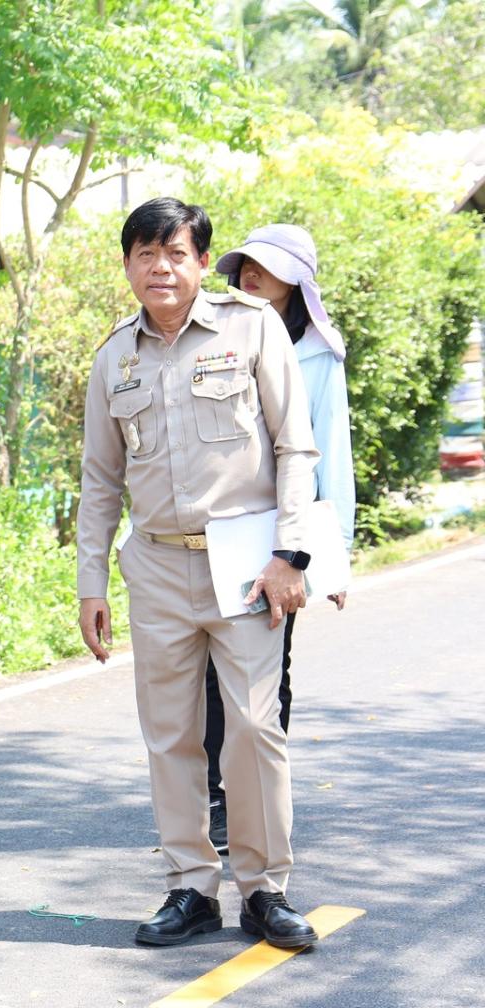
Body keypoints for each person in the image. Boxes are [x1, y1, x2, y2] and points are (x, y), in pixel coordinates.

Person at [77, 197, 322, 950]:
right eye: (145, 254)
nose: (161, 267)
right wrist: (90, 583)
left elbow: (296, 447)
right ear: (128, 265)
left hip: (245, 563)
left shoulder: (252, 328)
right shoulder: (113, 358)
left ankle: (264, 889)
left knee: (252, 727)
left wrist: (291, 554)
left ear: (200, 262)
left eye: (175, 253)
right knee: (171, 734)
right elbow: (100, 480)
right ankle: (190, 886)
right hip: (155, 563)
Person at [200, 224, 354, 854]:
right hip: (213, 532)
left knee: (266, 671)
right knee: (207, 674)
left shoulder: (319, 355)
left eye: (265, 268)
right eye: (244, 265)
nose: (250, 275)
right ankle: (216, 798)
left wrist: (332, 556)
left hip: (281, 541)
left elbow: (330, 452)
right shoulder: (213, 338)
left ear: (298, 284)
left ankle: (254, 795)